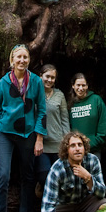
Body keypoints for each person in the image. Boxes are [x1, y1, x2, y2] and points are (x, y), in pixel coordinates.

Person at [0, 44, 46, 212]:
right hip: (5, 133)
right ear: (12, 60)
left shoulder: (36, 81)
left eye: (25, 57)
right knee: (2, 175)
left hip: (28, 133)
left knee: (28, 174)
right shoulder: (3, 83)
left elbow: (42, 110)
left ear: (29, 60)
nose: (22, 60)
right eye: (18, 57)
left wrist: (39, 137)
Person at [41, 131, 106, 212]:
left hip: (86, 203)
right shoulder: (57, 169)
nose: (77, 148)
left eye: (80, 145)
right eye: (72, 146)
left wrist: (88, 178)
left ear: (85, 147)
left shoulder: (92, 160)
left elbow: (102, 193)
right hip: (64, 207)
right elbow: (48, 204)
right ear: (66, 150)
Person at [35, 64, 70, 195]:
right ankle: (41, 188)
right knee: (44, 175)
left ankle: (56, 209)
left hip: (58, 143)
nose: (49, 80)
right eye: (47, 76)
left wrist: (67, 141)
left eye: (52, 78)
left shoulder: (59, 95)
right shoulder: (34, 94)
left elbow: (64, 119)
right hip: (41, 143)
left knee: (59, 177)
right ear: (40, 76)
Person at [68, 73, 106, 158]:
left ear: (87, 86)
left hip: (94, 149)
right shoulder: (70, 104)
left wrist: (95, 142)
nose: (81, 88)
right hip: (75, 150)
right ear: (73, 86)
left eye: (83, 85)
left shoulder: (96, 100)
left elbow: (105, 123)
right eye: (78, 85)